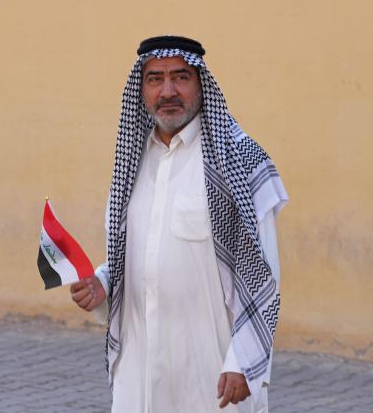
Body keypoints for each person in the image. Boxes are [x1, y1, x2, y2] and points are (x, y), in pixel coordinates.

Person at [70, 36, 288, 412]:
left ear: (201, 83)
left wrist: (241, 363)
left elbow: (262, 272)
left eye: (181, 77)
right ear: (141, 90)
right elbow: (136, 254)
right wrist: (104, 283)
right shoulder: (133, 163)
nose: (167, 91)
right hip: (141, 366)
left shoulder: (240, 160)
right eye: (155, 79)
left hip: (213, 368)